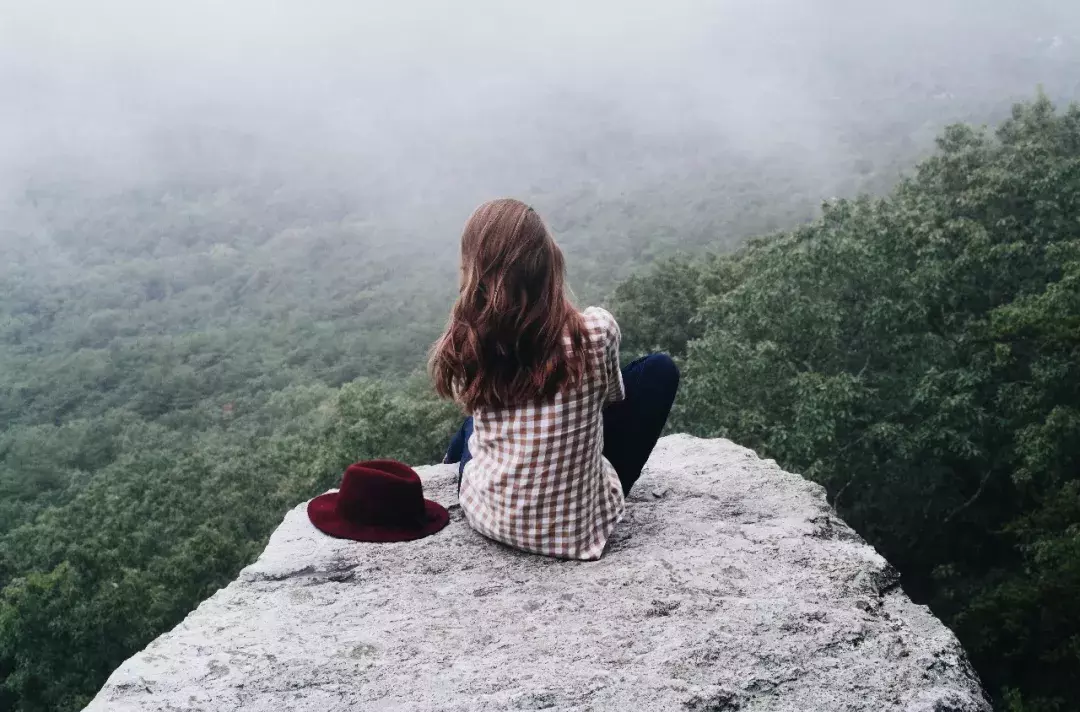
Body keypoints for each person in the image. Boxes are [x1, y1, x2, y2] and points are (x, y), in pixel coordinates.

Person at [429, 198, 679, 560]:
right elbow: (611, 399)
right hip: (577, 533)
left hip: (489, 517)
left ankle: (450, 462)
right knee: (658, 370)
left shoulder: (472, 343)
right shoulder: (597, 331)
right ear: (549, 262)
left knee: (472, 424)